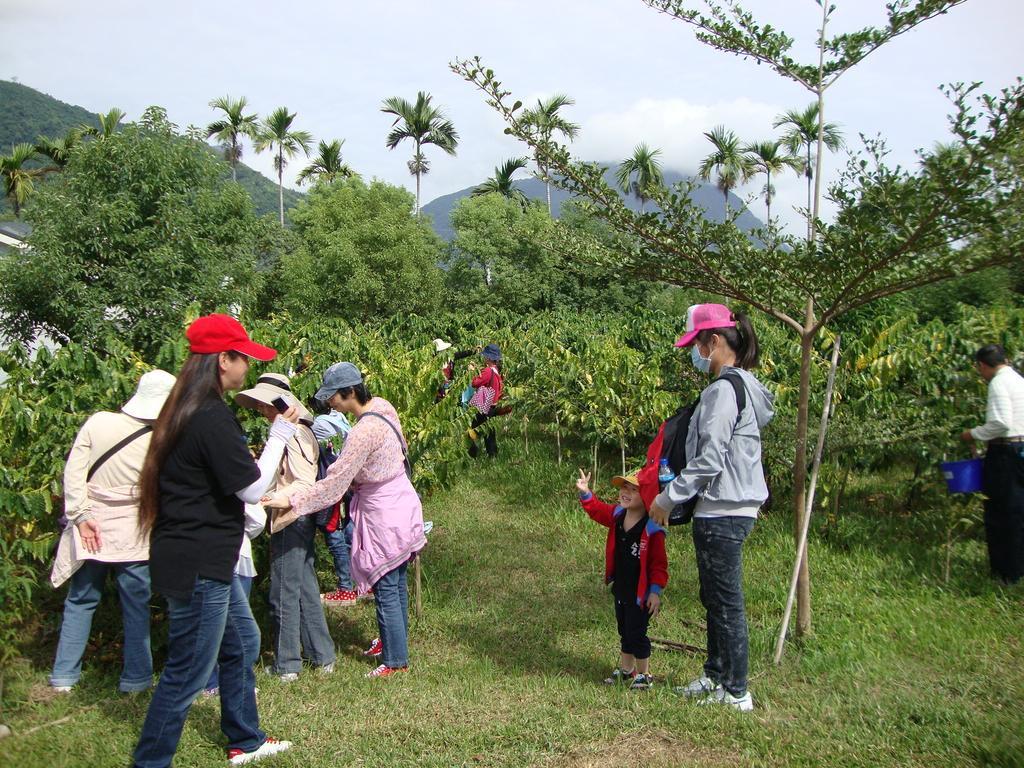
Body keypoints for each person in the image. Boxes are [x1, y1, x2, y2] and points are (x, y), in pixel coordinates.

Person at [131, 314, 297, 768]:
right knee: (186, 673)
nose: (247, 368)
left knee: (242, 642)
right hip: (202, 563)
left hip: (199, 557)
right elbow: (250, 489)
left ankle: (244, 739)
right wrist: (280, 434)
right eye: (243, 358)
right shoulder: (209, 415)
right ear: (223, 360)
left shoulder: (184, 409)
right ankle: (150, 761)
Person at [263, 362, 426, 678]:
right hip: (401, 502)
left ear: (350, 392)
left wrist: (292, 499)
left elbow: (333, 485)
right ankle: (395, 642)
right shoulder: (383, 407)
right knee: (397, 579)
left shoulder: (364, 432)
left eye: (334, 397)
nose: (330, 403)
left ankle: (395, 661)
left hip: (384, 513)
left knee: (387, 587)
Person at [649, 303, 774, 713]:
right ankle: (716, 674)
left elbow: (710, 459)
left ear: (715, 341)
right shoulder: (744, 384)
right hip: (731, 505)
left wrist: (669, 498)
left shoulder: (722, 390)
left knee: (724, 600)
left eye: (697, 344)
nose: (695, 352)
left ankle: (736, 689)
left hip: (723, 508)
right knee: (715, 597)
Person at [49, 369, 176, 694]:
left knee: (81, 600)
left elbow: (73, 473)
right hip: (136, 529)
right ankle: (136, 679)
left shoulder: (98, 422)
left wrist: (80, 515)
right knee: (135, 604)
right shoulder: (162, 439)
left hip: (92, 525)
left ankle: (64, 677)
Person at [235, 373, 336, 682]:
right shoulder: (303, 431)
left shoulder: (294, 434)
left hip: (291, 518)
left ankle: (287, 663)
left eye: (268, 405)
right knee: (305, 588)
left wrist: (270, 500)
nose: (264, 411)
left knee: (283, 591)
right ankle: (322, 655)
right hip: (297, 516)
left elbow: (302, 483)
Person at [575, 468, 667, 691]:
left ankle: (645, 674)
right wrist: (586, 493)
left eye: (633, 489)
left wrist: (655, 591)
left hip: (641, 593)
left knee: (637, 633)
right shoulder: (617, 515)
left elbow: (659, 565)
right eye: (624, 487)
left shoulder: (651, 529)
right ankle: (627, 671)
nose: (625, 492)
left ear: (646, 496)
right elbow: (597, 511)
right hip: (622, 588)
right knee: (624, 630)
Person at [960, 344, 1024, 584]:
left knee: (1000, 510)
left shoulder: (998, 383)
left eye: (979, 369)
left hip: (1006, 451)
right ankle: (1017, 568)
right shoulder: (1018, 380)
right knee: (1018, 510)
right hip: (1021, 450)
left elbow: (1000, 423)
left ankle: (1005, 573)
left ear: (982, 365)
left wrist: (973, 434)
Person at [202, 501, 266, 698]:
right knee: (237, 630)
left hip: (232, 555)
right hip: (229, 555)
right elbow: (257, 519)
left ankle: (226, 682)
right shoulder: (233, 480)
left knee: (228, 628)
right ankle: (218, 682)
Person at [310, 408, 361, 607]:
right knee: (350, 535)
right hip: (346, 489)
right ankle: (359, 583)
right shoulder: (339, 422)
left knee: (336, 539)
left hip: (332, 492)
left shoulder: (320, 425)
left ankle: (346, 587)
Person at [467, 343, 504, 458]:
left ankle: (472, 454)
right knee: (489, 432)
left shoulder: (488, 371)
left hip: (485, 406)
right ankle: (492, 455)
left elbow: (475, 383)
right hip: (492, 406)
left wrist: (471, 371)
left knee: (472, 430)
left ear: (488, 358)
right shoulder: (496, 370)